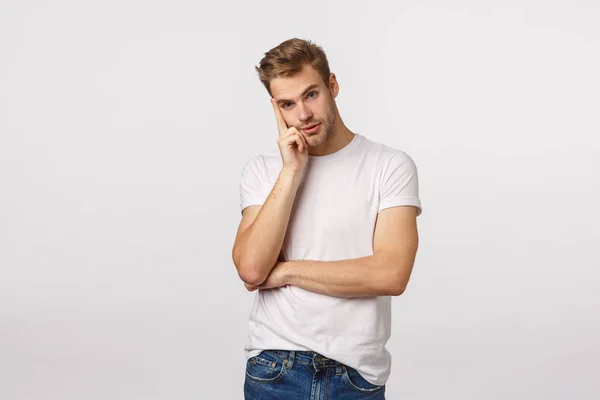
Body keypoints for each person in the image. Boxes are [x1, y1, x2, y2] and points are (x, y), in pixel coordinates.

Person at [232, 38, 423, 400]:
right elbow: (252, 270)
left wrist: (287, 272)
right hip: (276, 367)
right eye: (287, 104)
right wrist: (291, 172)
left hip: (357, 374)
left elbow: (391, 274)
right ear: (276, 109)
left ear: (332, 85)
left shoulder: (389, 166)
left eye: (311, 95)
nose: (302, 114)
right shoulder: (262, 171)